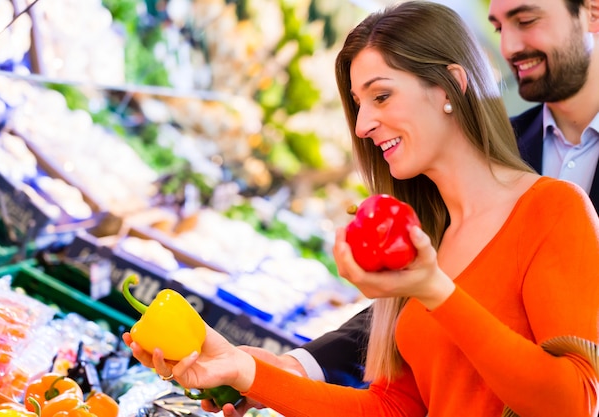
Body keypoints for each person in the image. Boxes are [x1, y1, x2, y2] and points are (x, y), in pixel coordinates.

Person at [124, 2, 599, 416]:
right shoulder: (423, 235)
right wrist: (247, 372)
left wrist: (436, 291)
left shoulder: (554, 209)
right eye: (358, 103)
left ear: (450, 86)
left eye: (382, 95)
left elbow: (576, 402)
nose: (365, 124)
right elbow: (393, 408)